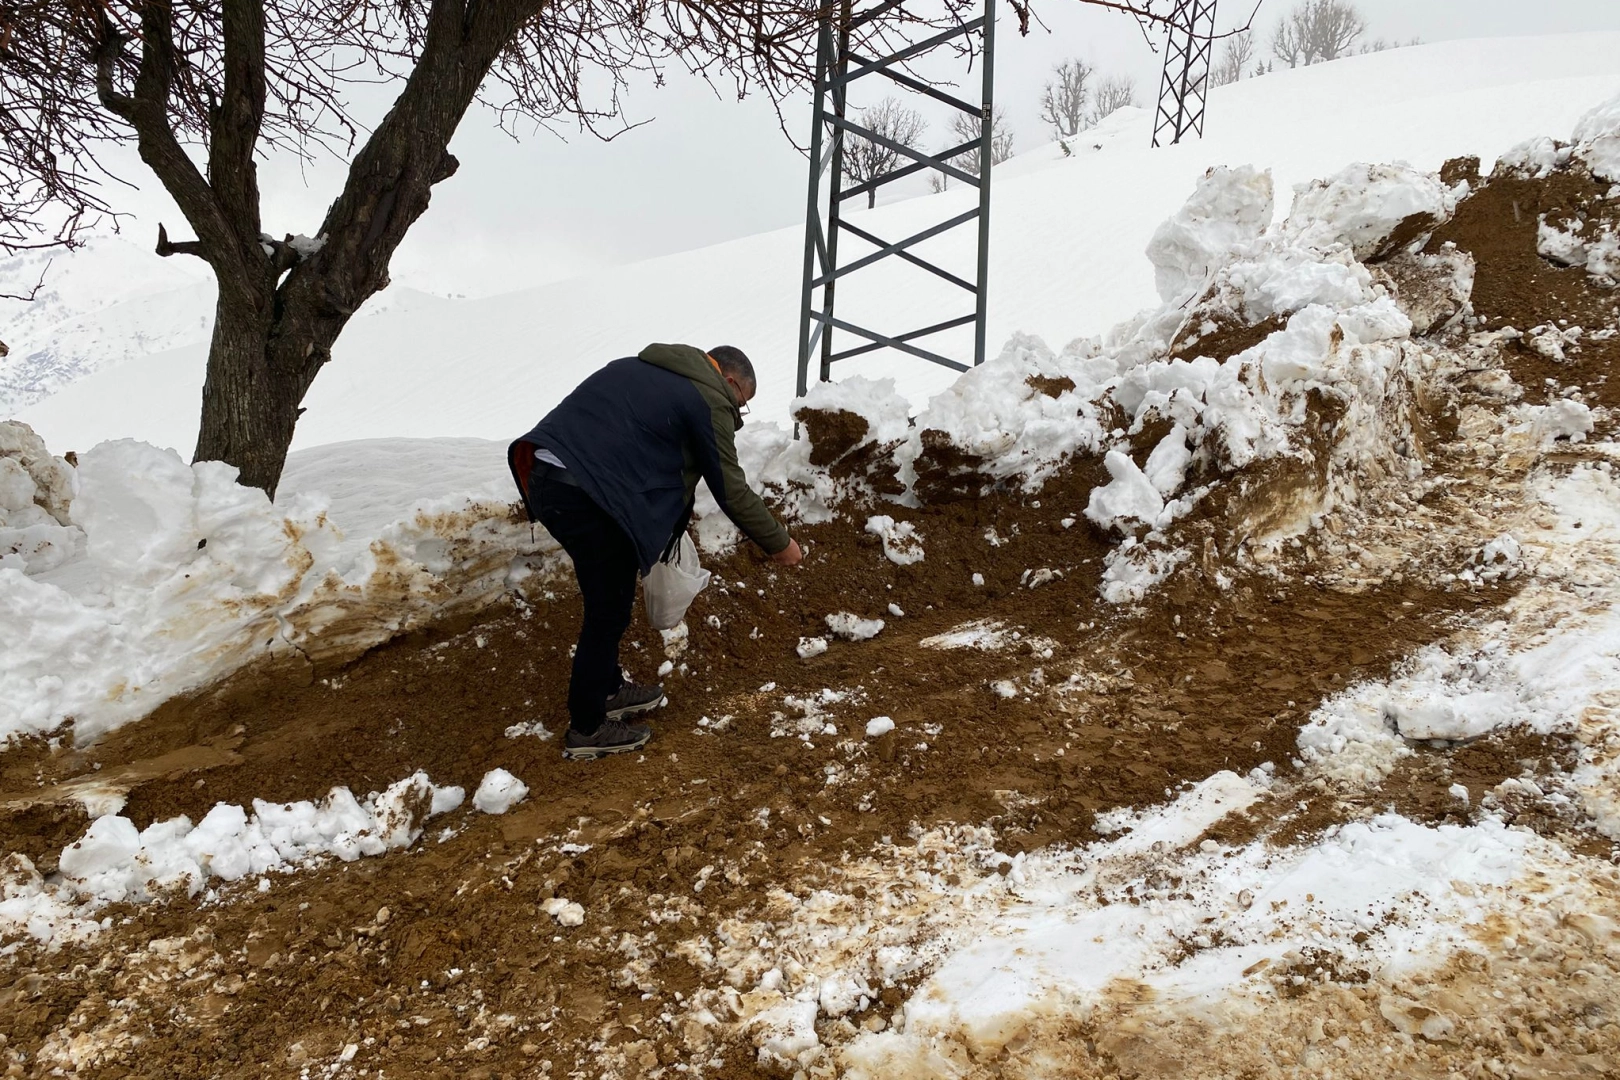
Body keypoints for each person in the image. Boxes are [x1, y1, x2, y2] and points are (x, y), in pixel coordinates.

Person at [508, 343, 803, 760]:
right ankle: (587, 728)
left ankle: (608, 689)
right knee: (607, 610)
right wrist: (780, 543)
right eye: (743, 403)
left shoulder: (638, 366)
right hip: (585, 495)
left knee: (606, 596)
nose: (738, 412)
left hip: (548, 478)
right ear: (731, 381)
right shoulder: (707, 397)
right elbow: (729, 487)